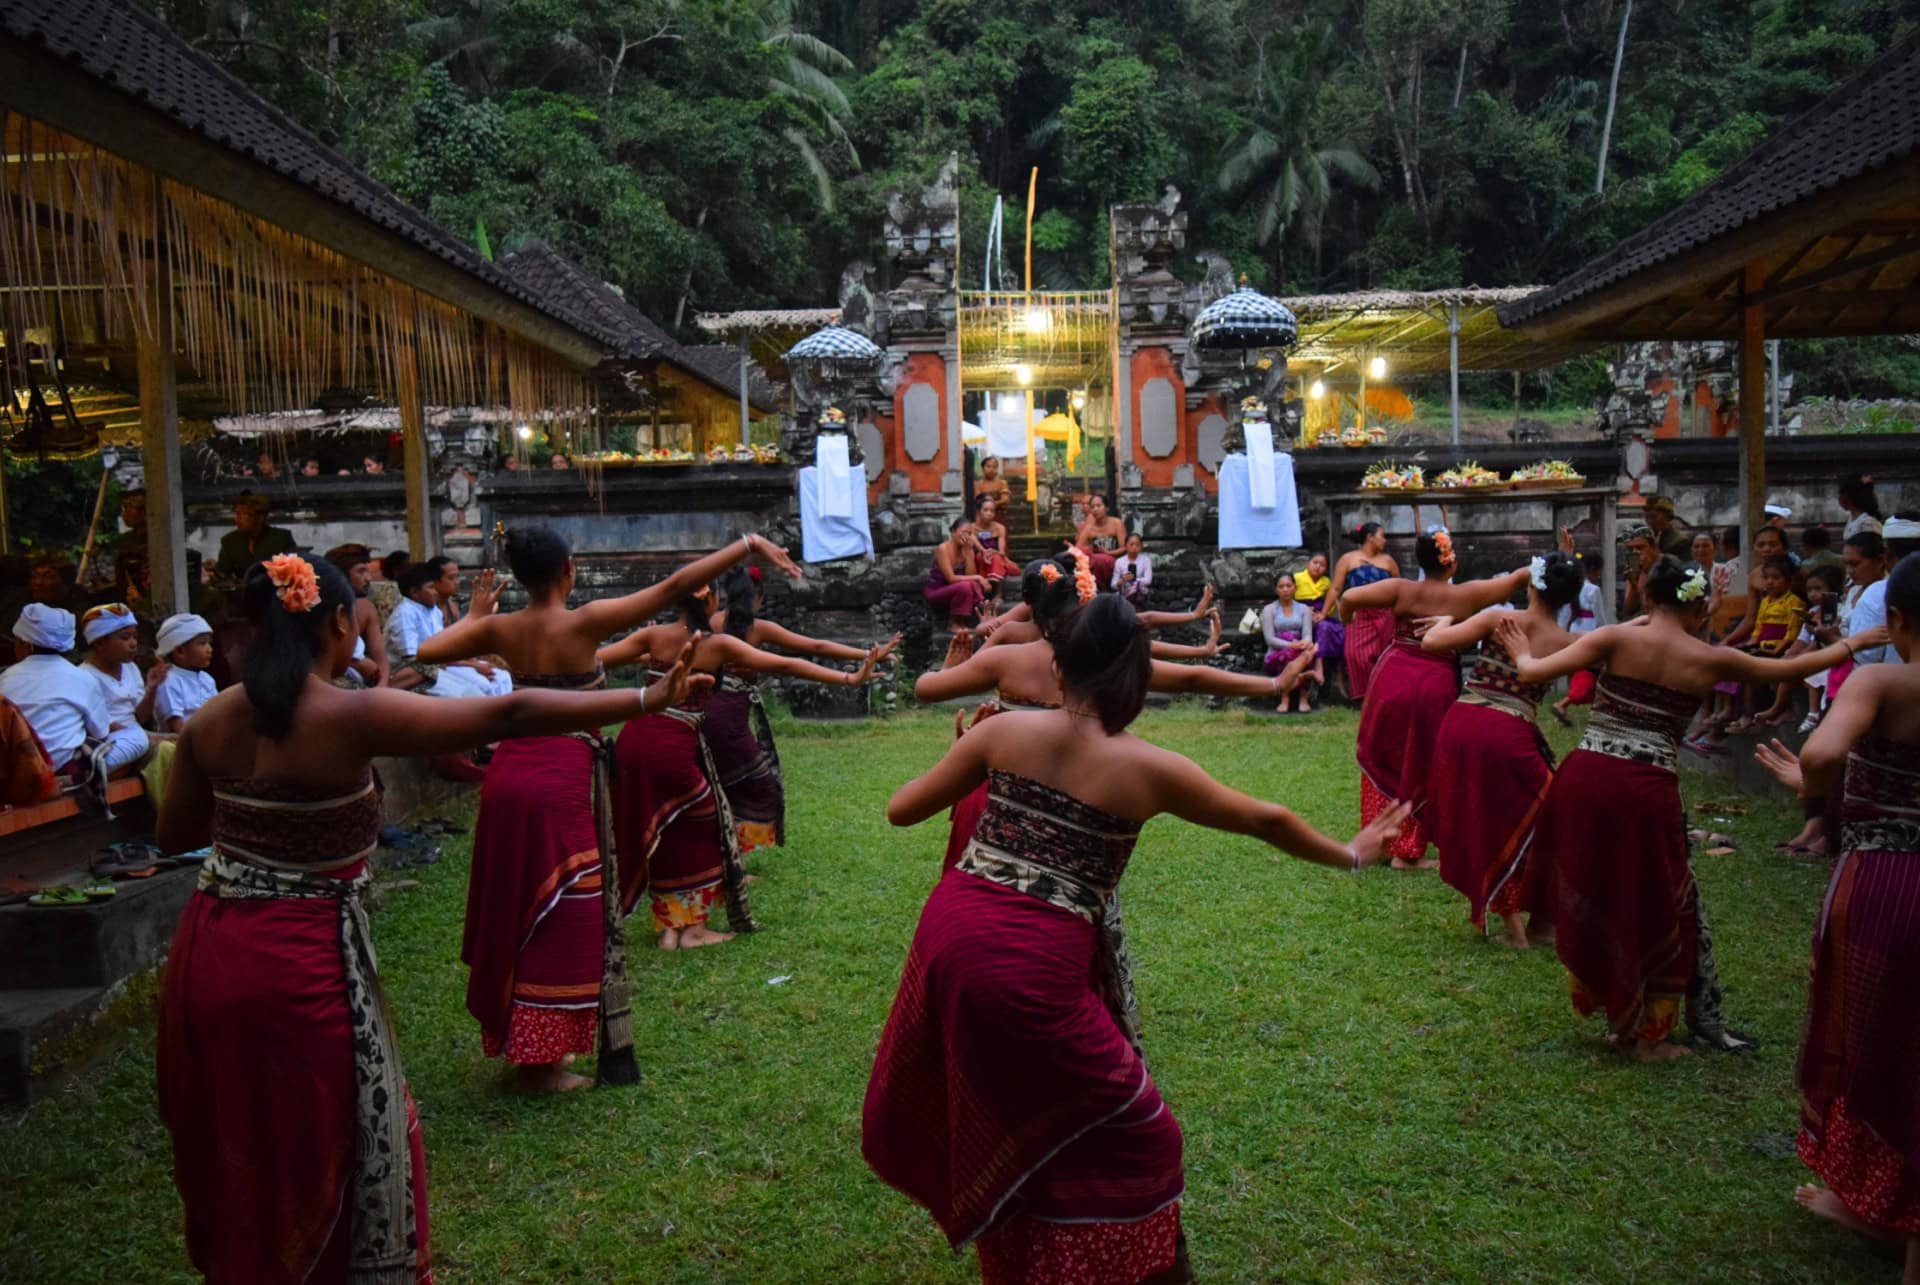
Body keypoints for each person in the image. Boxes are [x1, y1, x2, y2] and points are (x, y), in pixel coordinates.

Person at [153, 552, 703, 1283]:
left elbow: (174, 834)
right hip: (299, 964)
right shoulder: (349, 713)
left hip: (209, 949)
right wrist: (642, 701)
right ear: (341, 623)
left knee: (238, 1133)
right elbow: (509, 710)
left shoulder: (211, 718)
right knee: (331, 1136)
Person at [864, 592, 1409, 1281]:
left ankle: (1028, 1254)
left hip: (950, 933)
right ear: (1133, 679)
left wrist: (975, 750)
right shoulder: (1149, 769)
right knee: (1147, 1136)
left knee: (1025, 1102)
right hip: (1022, 969)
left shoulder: (1000, 733)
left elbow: (900, 809)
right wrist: (1353, 852)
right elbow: (1266, 819)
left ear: (1059, 669)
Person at [418, 529, 800, 1089]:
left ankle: (537, 1049)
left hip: (509, 777)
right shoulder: (582, 622)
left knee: (522, 902)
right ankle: (540, 1064)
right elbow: (675, 585)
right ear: (569, 571)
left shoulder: (501, 628)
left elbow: (427, 652)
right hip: (558, 783)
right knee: (566, 911)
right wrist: (747, 545)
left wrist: (475, 618)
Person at [1500, 557, 1881, 1061]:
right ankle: (1639, 1034)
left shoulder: (1615, 639)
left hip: (1587, 778)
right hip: (1645, 787)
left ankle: (1620, 1016)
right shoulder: (1711, 658)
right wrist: (1853, 643)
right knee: (1652, 899)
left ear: (1649, 596)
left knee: (1602, 888)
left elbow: (1530, 670)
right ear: (1698, 604)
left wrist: (1520, 648)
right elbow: (1792, 668)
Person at [919, 557, 1316, 875]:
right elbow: (1187, 674)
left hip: (1001, 785)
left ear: (1029, 604)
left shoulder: (1007, 654)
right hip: (1080, 789)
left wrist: (948, 670)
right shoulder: (1098, 658)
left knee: (981, 878)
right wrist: (1274, 685)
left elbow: (927, 690)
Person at [1752, 555, 1920, 1285]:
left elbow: (1821, 751)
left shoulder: (1885, 680)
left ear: (1901, 618)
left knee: (1875, 1040)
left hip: (1886, 882)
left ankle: (1876, 1199)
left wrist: (1805, 780)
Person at [599, 580, 883, 950]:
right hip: (668, 750)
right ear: (711, 598)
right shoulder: (716, 644)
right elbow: (786, 662)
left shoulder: (653, 638)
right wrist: (849, 678)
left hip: (633, 742)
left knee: (671, 828)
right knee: (709, 826)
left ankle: (672, 928)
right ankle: (692, 932)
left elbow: (594, 659)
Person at [1424, 553, 1585, 947]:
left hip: (1465, 725)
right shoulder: (1572, 642)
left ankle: (1531, 924)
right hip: (1508, 734)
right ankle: (1529, 925)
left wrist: (1447, 620)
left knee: (1490, 820)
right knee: (1543, 821)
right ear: (1571, 597)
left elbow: (1432, 641)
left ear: (1532, 585)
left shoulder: (1500, 619)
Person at [1341, 532, 1529, 867]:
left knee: (1388, 753)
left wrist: (1347, 620)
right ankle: (1408, 853)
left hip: (1392, 677)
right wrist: (1565, 557)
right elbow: (1518, 579)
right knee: (1422, 759)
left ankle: (1384, 841)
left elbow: (1350, 596)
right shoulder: (1467, 594)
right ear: (1450, 560)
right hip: (1433, 683)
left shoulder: (1401, 588)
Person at [704, 566, 901, 855]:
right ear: (757, 598)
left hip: (706, 713)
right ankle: (730, 861)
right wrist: (867, 655)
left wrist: (868, 656)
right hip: (729, 722)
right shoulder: (756, 629)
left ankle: (727, 857)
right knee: (761, 786)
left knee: (719, 783)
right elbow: (814, 646)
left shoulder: (711, 624)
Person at [0, 604, 111, 775]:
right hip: (60, 769)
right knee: (136, 738)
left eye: (16, 640)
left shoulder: (5, 678)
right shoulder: (83, 678)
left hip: (13, 772)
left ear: (26, 645)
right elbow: (101, 733)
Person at [386, 563, 513, 698]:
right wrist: (473, 666)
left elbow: (444, 646)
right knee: (473, 691)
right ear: (414, 592)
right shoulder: (405, 613)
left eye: (435, 588)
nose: (435, 592)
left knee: (501, 678)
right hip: (417, 673)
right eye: (430, 588)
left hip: (438, 666)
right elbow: (413, 660)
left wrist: (472, 662)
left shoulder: (433, 610)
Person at [77, 605, 158, 775]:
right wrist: (147, 737)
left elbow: (141, 717)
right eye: (125, 638)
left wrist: (152, 689)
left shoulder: (131, 668)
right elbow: (98, 726)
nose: (133, 644)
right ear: (99, 642)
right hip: (111, 742)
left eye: (134, 637)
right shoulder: (83, 675)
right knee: (165, 750)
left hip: (137, 734)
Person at [1330, 522, 1399, 700]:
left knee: (1386, 655)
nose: (1384, 540)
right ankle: (1365, 695)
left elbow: (1400, 588)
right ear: (1370, 537)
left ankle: (1384, 694)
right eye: (1382, 535)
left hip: (1385, 615)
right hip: (1358, 614)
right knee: (1354, 654)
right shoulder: (1348, 559)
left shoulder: (1388, 561)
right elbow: (1336, 589)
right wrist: (1325, 613)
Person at [1549, 553, 1607, 725]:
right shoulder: (1594, 590)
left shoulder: (1575, 588)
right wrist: (1606, 634)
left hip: (1574, 631)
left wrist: (1560, 634)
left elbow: (1565, 615)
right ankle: (1570, 702)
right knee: (1594, 672)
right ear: (1594, 571)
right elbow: (1600, 617)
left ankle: (1572, 701)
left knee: (1576, 670)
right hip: (1590, 632)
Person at [325, 544, 390, 689]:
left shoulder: (366, 607)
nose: (368, 578)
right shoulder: (322, 607)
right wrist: (357, 663)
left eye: (368, 571)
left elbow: (380, 654)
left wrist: (382, 686)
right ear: (342, 575)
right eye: (361, 572)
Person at [1261, 571, 1317, 713]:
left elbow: (1307, 634)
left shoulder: (1304, 609)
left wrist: (1303, 644)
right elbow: (1269, 639)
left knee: (1305, 653)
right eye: (1281, 586)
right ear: (1276, 590)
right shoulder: (1269, 610)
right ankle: (1285, 696)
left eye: (1288, 585)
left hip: (1299, 649)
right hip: (1276, 654)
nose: (1285, 589)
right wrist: (1291, 645)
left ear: (1295, 588)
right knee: (1290, 654)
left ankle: (1303, 697)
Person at [153, 613, 218, 734]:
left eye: (209, 643)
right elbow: (177, 727)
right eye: (202, 643)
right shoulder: (169, 681)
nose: (210, 649)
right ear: (180, 651)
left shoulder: (207, 679)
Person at [925, 519, 991, 635]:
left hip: (957, 590)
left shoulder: (967, 549)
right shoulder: (943, 549)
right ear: (953, 532)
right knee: (966, 585)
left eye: (970, 534)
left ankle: (962, 622)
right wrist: (978, 577)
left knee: (971, 584)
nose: (968, 536)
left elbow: (970, 575)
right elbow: (951, 578)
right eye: (964, 532)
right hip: (937, 590)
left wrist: (969, 551)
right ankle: (953, 623)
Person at [214, 493, 298, 581]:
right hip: (242, 592)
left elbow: (295, 572)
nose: (237, 519)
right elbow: (222, 576)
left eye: (244, 514)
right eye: (237, 513)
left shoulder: (282, 538)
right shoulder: (229, 541)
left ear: (260, 517)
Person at [1293, 553, 1344, 693]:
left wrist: (1323, 613)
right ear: (1308, 563)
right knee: (1320, 627)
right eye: (1315, 562)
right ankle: (1318, 664)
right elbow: (1288, 600)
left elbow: (1332, 601)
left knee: (1333, 629)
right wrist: (1305, 611)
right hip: (1301, 614)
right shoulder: (1297, 578)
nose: (1318, 567)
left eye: (1322, 565)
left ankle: (1329, 668)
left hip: (1320, 615)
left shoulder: (1326, 582)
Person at [1071, 492, 1127, 583]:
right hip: (1095, 565)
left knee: (1102, 560)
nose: (1095, 509)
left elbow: (1124, 548)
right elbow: (1078, 549)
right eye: (1092, 507)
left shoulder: (1117, 523)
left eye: (1098, 506)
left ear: (1106, 508)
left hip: (1114, 562)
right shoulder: (1089, 528)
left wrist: (1108, 552)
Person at [971, 495, 1017, 586]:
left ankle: (998, 593)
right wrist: (984, 551)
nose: (989, 513)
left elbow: (1002, 552)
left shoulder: (1000, 528)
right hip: (978, 560)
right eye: (986, 510)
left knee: (996, 558)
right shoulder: (971, 528)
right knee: (981, 557)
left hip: (997, 557)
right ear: (978, 512)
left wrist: (993, 552)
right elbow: (978, 548)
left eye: (992, 511)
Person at [1620, 526, 1662, 618]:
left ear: (1654, 548)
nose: (1635, 553)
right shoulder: (1634, 568)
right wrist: (1633, 583)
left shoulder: (1666, 566)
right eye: (1631, 549)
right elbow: (1629, 610)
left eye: (1640, 548)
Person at [1112, 532, 1153, 608]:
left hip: (1140, 592)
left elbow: (1148, 580)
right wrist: (1122, 580)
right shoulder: (1119, 561)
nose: (1134, 547)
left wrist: (1133, 580)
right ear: (1126, 546)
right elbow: (1113, 584)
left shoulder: (1146, 560)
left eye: (1137, 545)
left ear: (1141, 547)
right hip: (1124, 592)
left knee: (1138, 589)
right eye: (1131, 544)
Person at [1837, 474, 1883, 541]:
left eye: (1840, 494)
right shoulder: (1852, 518)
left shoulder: (1868, 523)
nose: (1838, 499)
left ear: (1847, 497)